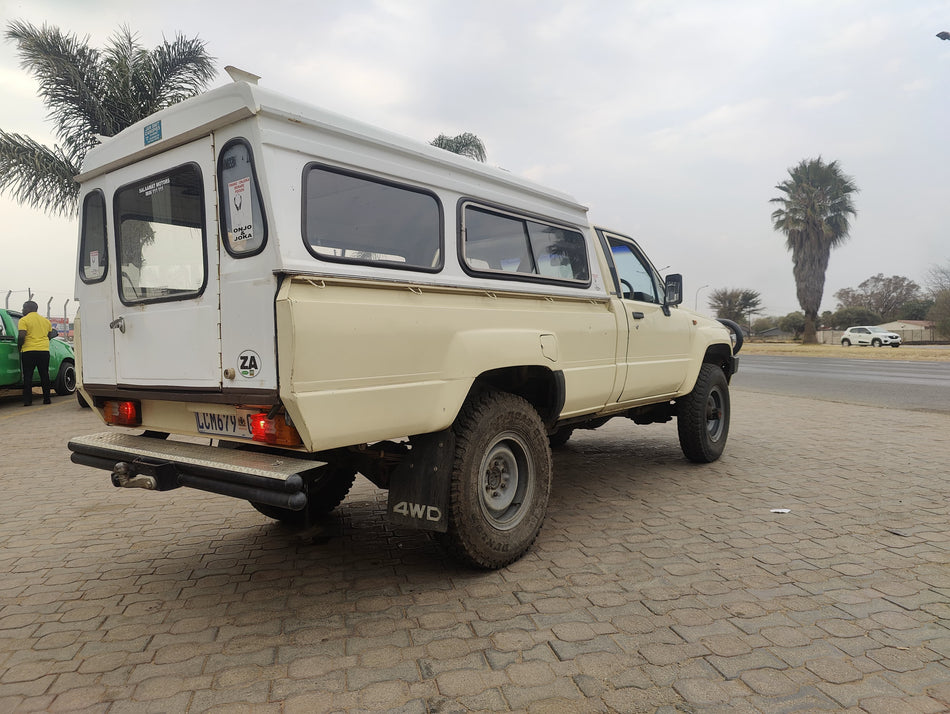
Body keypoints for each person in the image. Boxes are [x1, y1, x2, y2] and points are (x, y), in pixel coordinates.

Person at [17, 300, 58, 407]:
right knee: (44, 375)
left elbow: (21, 336)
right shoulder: (46, 321)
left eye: (24, 308)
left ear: (30, 308)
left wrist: (19, 347)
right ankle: (47, 399)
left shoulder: (23, 320)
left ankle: (27, 401)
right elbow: (49, 336)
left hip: (28, 351)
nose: (22, 310)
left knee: (28, 376)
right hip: (44, 351)